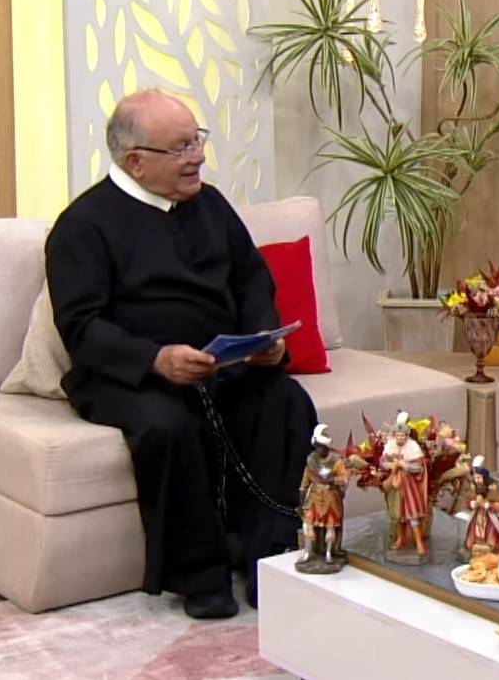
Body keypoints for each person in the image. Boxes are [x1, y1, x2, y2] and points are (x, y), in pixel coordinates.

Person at [46, 89, 318, 619]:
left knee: (283, 402)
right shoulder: (82, 225)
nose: (198, 156)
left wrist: (263, 339)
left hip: (224, 366)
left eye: (197, 141)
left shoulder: (210, 204)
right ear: (136, 161)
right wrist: (156, 359)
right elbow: (81, 328)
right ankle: (200, 576)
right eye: (181, 148)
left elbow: (251, 280)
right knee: (168, 427)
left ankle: (272, 560)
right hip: (131, 376)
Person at [297, 424, 348, 572]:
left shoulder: (336, 461)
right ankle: (308, 552)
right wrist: (301, 501)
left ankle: (329, 553)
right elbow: (305, 482)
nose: (319, 450)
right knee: (308, 524)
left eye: (321, 447)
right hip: (314, 498)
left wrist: (332, 480)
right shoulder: (311, 460)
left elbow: (343, 478)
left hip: (331, 498)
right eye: (317, 446)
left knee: (330, 527)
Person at [381, 412, 430, 555]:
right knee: (398, 515)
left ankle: (419, 542)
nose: (400, 438)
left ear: (406, 435)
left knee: (412, 514)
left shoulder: (413, 447)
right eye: (398, 435)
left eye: (402, 435)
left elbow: (419, 467)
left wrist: (405, 465)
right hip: (395, 484)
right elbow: (382, 462)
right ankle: (400, 539)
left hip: (408, 485)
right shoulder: (390, 445)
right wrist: (393, 465)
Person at [463, 456, 499, 557]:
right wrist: (472, 503)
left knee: (492, 542)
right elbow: (467, 500)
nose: (477, 480)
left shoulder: (492, 487)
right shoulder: (473, 486)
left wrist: (488, 505)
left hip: (490, 517)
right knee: (470, 542)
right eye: (475, 478)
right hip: (477, 516)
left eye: (479, 478)